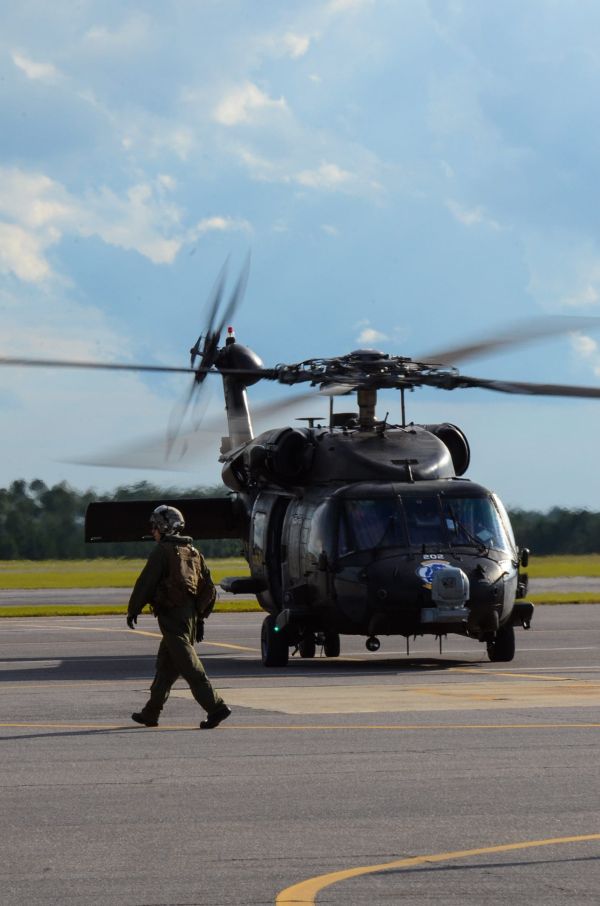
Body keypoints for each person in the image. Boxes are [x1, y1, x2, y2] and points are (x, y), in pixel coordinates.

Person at [126, 504, 231, 730]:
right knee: (166, 666)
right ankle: (151, 712)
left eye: (155, 526)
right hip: (189, 617)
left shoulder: (163, 552)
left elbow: (146, 582)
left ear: (164, 528)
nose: (152, 531)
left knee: (189, 666)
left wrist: (133, 608)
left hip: (173, 617)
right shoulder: (194, 553)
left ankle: (216, 707)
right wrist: (200, 619)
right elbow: (208, 588)